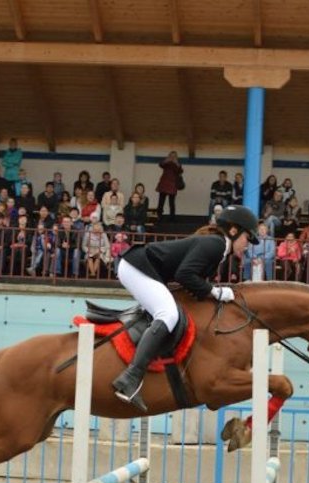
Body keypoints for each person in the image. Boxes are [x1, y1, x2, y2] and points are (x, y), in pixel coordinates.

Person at [110, 205, 257, 411]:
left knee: (171, 312)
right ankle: (130, 378)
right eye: (247, 238)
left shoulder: (218, 248)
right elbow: (185, 275)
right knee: (168, 314)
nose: (247, 244)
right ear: (233, 231)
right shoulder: (216, 244)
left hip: (143, 268)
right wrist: (215, 292)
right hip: (137, 267)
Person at [155, 151, 183, 219]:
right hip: (164, 183)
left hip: (173, 184)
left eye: (174, 156)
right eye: (171, 155)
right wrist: (167, 160)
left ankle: (172, 217)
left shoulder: (177, 164)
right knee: (161, 201)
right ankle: (159, 215)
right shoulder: (166, 162)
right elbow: (160, 164)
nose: (173, 157)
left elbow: (180, 171)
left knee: (171, 202)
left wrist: (176, 163)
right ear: (169, 156)